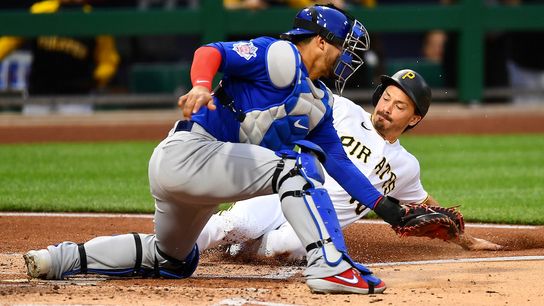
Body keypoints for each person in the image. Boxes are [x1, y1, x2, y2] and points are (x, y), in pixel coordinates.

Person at [23, 4, 411, 295]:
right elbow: (211, 52)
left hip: (205, 178)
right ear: (322, 42)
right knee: (297, 167)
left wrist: (387, 208)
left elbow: (340, 163)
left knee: (171, 259)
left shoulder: (319, 102)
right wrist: (201, 85)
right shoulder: (278, 55)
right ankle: (329, 266)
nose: (346, 56)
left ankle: (58, 259)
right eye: (342, 47)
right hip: (189, 152)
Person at [197, 69, 503, 261]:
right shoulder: (343, 110)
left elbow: (426, 208)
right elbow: (305, 88)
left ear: (414, 119)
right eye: (386, 97)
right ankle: (163, 249)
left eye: (399, 106)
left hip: (316, 225)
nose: (386, 108)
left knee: (285, 247)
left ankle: (242, 249)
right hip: (284, 191)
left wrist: (467, 241)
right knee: (234, 225)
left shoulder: (406, 166)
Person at [0, 0, 120, 114]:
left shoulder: (94, 19)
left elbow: (108, 61)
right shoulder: (43, 10)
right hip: (39, 93)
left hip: (77, 97)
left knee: (77, 134)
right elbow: (10, 39)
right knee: (32, 134)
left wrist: (95, 79)